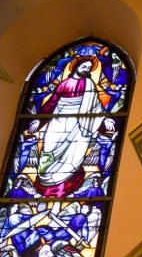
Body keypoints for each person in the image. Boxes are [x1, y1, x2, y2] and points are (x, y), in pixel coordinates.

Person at [28, 57, 115, 198]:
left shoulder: (89, 84)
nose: (86, 69)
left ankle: (63, 188)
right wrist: (39, 120)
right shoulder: (63, 84)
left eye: (89, 68)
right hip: (59, 119)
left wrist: (105, 119)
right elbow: (51, 103)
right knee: (48, 149)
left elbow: (96, 107)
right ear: (76, 66)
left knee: (74, 155)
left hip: (80, 125)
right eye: (84, 66)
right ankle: (44, 184)